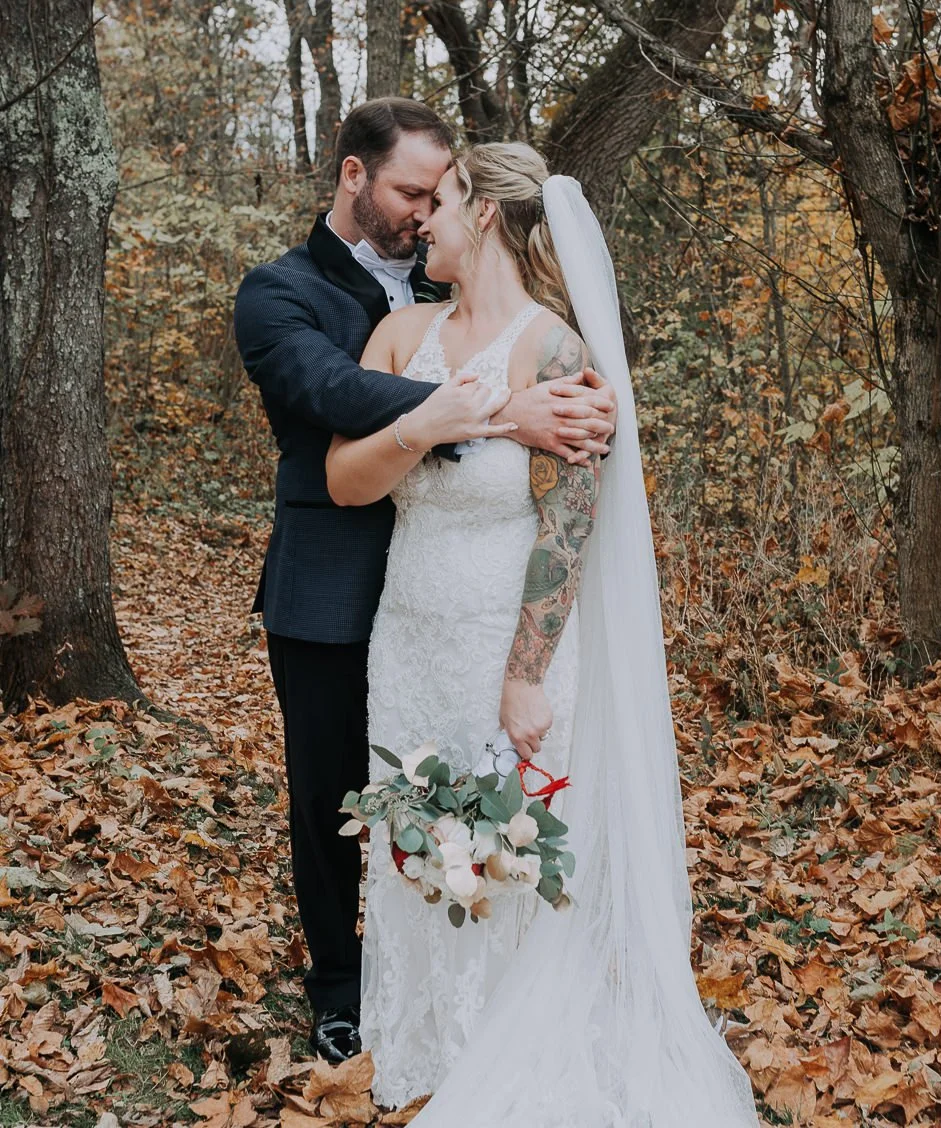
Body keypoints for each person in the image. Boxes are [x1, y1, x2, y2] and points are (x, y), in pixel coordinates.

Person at [325, 143, 758, 1126]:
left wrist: (526, 679)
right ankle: (424, 1049)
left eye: (439, 203)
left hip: (503, 646)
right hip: (408, 639)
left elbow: (570, 527)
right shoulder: (399, 334)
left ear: (482, 213)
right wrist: (437, 421)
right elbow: (345, 479)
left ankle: (508, 1061)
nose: (420, 221)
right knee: (412, 849)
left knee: (511, 861)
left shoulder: (557, 352)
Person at [233, 99, 617, 1065]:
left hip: (462, 600)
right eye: (408, 191)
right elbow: (330, 397)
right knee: (332, 801)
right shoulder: (279, 294)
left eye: (434, 196)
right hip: (333, 594)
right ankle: (339, 991)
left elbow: (568, 500)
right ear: (355, 177)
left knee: (481, 808)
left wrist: (526, 402)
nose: (419, 213)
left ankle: (491, 1014)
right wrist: (497, 411)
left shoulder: (454, 286)